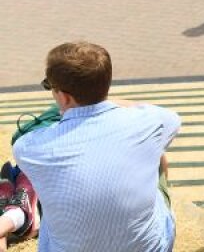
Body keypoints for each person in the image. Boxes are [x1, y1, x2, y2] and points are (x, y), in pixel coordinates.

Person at [13, 41, 181, 252]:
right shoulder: (150, 122)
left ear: (63, 96)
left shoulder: (28, 147)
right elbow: (171, 118)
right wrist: (106, 100)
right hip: (149, 248)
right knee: (158, 157)